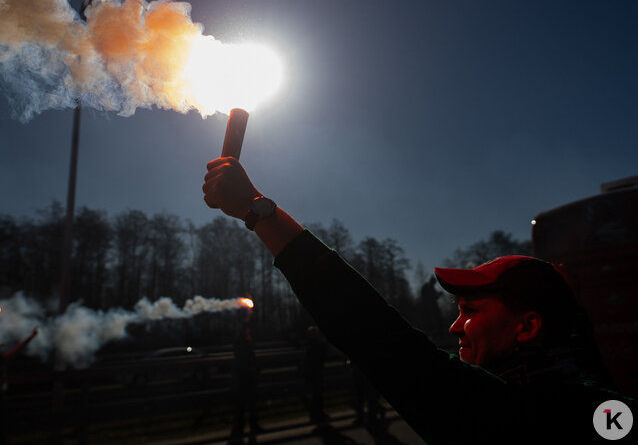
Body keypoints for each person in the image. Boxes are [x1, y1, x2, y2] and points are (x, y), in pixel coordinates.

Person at [202, 156, 636, 444]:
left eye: (470, 311)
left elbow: (380, 337)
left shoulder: (527, 415)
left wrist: (257, 210)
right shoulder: (597, 399)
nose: (454, 326)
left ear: (528, 327)